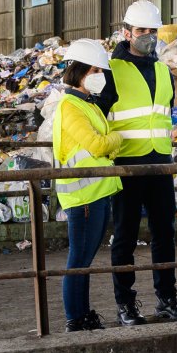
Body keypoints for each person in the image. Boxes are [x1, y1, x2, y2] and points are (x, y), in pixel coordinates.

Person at [95, 0, 177, 325]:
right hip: (126, 164)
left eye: (153, 30)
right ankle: (126, 304)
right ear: (126, 32)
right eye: (142, 30)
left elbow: (163, 113)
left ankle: (167, 298)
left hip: (160, 162)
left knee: (164, 232)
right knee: (125, 236)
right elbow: (98, 116)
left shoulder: (164, 71)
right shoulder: (111, 71)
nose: (148, 36)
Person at [52, 39, 122, 332]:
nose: (100, 76)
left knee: (85, 259)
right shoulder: (70, 106)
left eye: (101, 71)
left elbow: (103, 145)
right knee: (79, 259)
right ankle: (75, 318)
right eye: (95, 70)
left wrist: (109, 143)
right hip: (83, 196)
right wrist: (117, 139)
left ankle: (83, 315)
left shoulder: (86, 104)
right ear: (79, 71)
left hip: (97, 192)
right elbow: (97, 144)